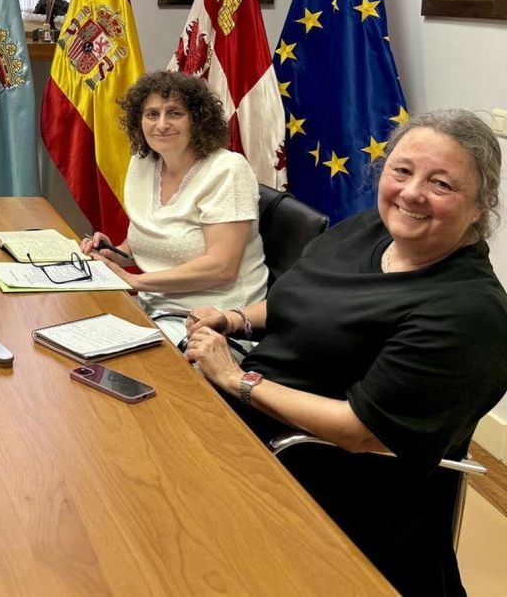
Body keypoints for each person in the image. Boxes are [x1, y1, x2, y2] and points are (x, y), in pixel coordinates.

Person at [185, 109, 507, 595]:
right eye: (402, 171)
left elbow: (359, 431)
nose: (411, 193)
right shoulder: (371, 230)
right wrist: (235, 319)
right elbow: (302, 301)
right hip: (249, 421)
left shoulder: (468, 314)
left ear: (481, 205)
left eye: (441, 184)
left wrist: (236, 379)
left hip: (320, 474)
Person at [79, 71, 267, 328]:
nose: (161, 124)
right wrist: (115, 254)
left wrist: (133, 281)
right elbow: (149, 238)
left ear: (197, 120)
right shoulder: (143, 163)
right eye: (152, 114)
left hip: (210, 318)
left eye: (175, 113)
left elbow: (222, 267)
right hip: (153, 306)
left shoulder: (228, 170)